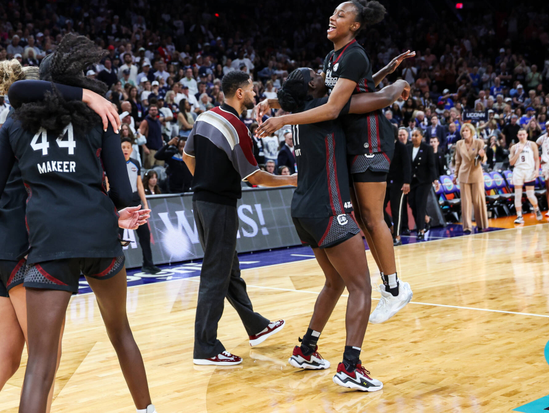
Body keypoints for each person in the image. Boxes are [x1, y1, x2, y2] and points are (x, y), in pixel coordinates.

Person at [0, 34, 156, 413]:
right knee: (121, 332)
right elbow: (123, 193)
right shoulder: (102, 118)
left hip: (49, 244)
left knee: (39, 365)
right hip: (100, 238)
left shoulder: (14, 127)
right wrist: (121, 210)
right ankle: (148, 410)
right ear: (81, 83)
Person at [255, 0, 415, 325]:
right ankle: (387, 287)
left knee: (372, 217)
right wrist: (275, 100)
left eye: (341, 14)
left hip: (369, 138)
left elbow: (331, 108)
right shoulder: (333, 57)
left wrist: (285, 119)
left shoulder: (354, 54)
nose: (333, 16)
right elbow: (336, 91)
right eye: (333, 12)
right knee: (364, 218)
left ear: (354, 26)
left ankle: (395, 288)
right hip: (352, 142)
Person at [278, 68, 409, 391]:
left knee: (335, 282)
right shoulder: (326, 107)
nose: (322, 73)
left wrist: (382, 71)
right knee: (361, 288)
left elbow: (352, 85)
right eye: (315, 73)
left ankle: (306, 349)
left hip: (303, 210)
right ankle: (351, 366)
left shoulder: (301, 115)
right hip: (328, 209)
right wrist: (400, 83)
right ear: (312, 87)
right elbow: (380, 98)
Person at [183, 71, 295, 367]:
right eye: (252, 89)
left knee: (228, 271)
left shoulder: (204, 117)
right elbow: (254, 176)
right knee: (215, 274)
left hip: (201, 201)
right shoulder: (236, 127)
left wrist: (206, 181)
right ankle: (205, 347)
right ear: (240, 93)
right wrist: (291, 180)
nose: (256, 94)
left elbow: (187, 156)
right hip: (220, 205)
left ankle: (255, 326)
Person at [122, 137, 161, 275]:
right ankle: (116, 268)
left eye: (128, 147)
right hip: (121, 205)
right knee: (118, 238)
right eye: (123, 147)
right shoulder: (114, 164)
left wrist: (144, 203)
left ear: (132, 150)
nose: (125, 149)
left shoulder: (135, 163)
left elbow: (139, 185)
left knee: (145, 235)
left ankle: (148, 264)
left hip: (136, 204)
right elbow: (109, 183)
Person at [454, 123, 489, 233]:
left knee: (478, 201)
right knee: (466, 202)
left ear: (472, 132)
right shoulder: (459, 144)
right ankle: (467, 226)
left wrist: (482, 155)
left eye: (467, 130)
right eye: (463, 131)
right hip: (463, 175)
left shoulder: (479, 142)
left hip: (476, 174)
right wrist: (455, 175)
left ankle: (481, 224)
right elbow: (458, 161)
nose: (464, 132)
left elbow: (484, 160)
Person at [408, 128, 439, 240]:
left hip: (424, 181)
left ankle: (420, 229)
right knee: (412, 204)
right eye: (413, 135)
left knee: (420, 204)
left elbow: (432, 165)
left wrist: (435, 179)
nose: (414, 137)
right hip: (412, 181)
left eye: (416, 135)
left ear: (421, 136)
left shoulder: (427, 148)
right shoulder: (407, 148)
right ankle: (426, 219)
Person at [509, 129, 542, 224]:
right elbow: (511, 162)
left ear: (527, 135)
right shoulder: (514, 147)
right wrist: (518, 152)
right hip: (518, 171)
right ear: (517, 136)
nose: (522, 136)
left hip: (529, 171)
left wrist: (537, 170)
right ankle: (519, 216)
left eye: (523, 134)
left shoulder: (532, 145)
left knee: (530, 195)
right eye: (520, 135)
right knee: (518, 195)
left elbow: (536, 159)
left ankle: (536, 208)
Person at [385, 127, 411, 243]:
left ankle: (397, 236)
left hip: (399, 183)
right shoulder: (385, 147)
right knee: (379, 207)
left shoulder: (401, 147)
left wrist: (407, 182)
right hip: (386, 182)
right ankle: (391, 227)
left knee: (396, 209)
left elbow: (407, 165)